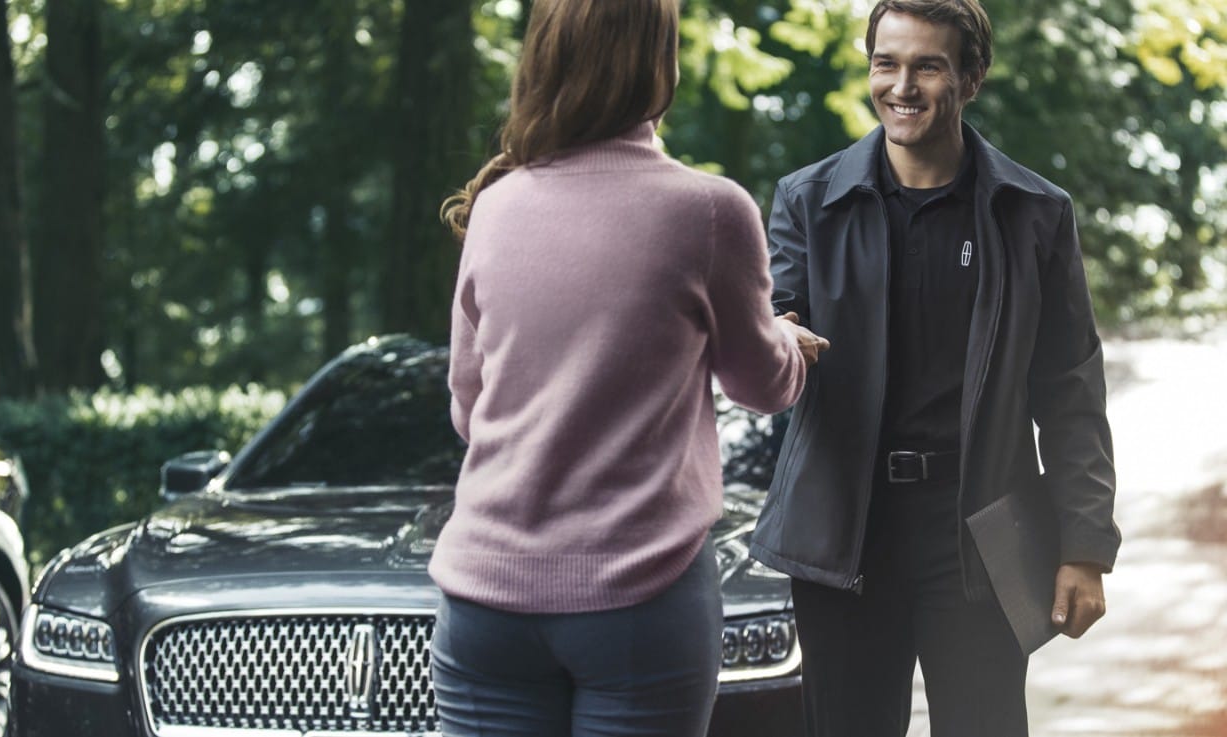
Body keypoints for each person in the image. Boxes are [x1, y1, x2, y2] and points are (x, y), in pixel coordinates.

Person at [430, 1, 826, 735]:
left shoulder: (495, 205)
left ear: (544, 58)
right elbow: (760, 385)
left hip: (485, 600)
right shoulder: (707, 210)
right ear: (660, 63)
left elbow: (468, 407)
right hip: (639, 601)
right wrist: (787, 342)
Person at [749, 1, 1121, 735]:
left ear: (972, 77)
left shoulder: (1035, 213)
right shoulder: (807, 201)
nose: (902, 85)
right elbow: (769, 332)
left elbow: (1071, 390)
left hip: (980, 531)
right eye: (885, 63)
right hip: (842, 531)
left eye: (928, 65)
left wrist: (1085, 547)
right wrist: (771, 336)